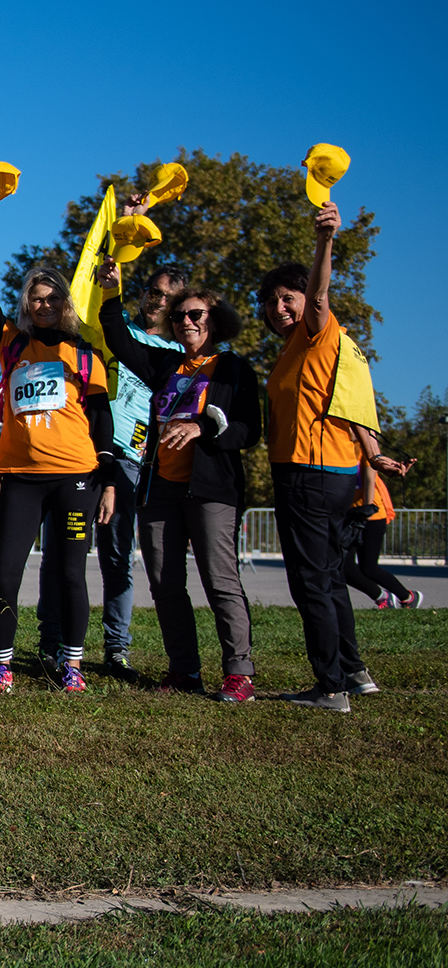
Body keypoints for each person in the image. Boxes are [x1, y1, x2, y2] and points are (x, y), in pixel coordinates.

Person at [0, 201, 115, 695]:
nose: (42, 306)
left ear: (64, 302)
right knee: (5, 573)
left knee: (70, 573)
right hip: (21, 478)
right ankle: (1, 667)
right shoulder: (12, 345)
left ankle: (72, 665)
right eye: (34, 299)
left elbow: (103, 420)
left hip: (76, 477)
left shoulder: (84, 353)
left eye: (50, 299)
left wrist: (107, 480)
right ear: (26, 304)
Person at [94, 265, 262, 700]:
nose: (187, 321)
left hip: (210, 490)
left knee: (220, 580)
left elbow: (249, 429)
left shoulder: (233, 370)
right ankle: (184, 671)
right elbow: (117, 338)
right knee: (165, 584)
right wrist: (111, 293)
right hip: (159, 489)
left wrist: (205, 430)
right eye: (181, 315)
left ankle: (239, 672)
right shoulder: (167, 363)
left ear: (216, 320)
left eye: (197, 314)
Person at [260, 203, 403, 711]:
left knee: (310, 582)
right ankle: (355, 672)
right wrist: (375, 453)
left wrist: (325, 241)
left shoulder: (317, 333)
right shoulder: (308, 349)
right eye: (272, 301)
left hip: (309, 475)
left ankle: (330, 687)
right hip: (334, 475)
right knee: (331, 576)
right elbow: (356, 407)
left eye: (288, 298)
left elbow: (320, 293)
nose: (280, 307)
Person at [40, 238, 185, 676]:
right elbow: (99, 294)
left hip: (130, 463)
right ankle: (53, 641)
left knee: (118, 558)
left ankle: (116, 650)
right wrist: (123, 232)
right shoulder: (115, 326)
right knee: (62, 553)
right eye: (152, 291)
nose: (156, 300)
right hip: (83, 450)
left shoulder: (178, 355)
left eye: (167, 297)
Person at [345, 449, 420, 609]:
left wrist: (366, 509)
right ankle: (382, 598)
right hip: (349, 514)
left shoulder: (364, 450)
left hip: (372, 516)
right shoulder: (339, 448)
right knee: (344, 567)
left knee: (369, 568)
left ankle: (408, 597)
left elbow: (369, 480)